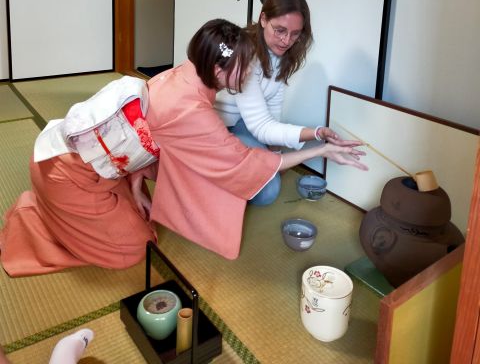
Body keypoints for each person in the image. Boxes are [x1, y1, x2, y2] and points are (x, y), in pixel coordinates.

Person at [0, 19, 366, 276]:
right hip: (68, 176)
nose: (250, 74)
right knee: (135, 249)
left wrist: (134, 185)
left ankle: (60, 210)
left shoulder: (184, 72)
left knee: (142, 213)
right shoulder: (190, 109)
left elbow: (148, 134)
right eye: (245, 67)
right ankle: (35, 220)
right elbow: (243, 164)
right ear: (220, 70)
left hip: (66, 155)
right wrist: (319, 151)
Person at [214, 0, 353, 205]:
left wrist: (276, 153)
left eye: (295, 33)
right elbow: (261, 125)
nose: (286, 40)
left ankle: (229, 170)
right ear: (263, 19)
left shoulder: (280, 55)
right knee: (267, 191)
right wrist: (315, 134)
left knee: (269, 179)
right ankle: (214, 173)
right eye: (279, 30)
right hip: (222, 125)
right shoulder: (246, 55)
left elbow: (272, 109)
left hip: (246, 123)